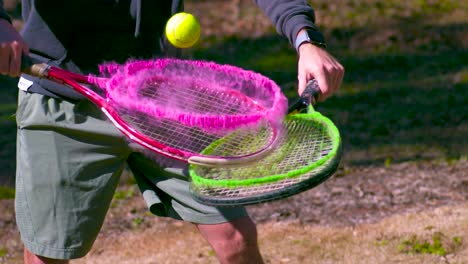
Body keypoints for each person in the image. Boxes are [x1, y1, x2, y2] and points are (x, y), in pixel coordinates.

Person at [0, 0, 344, 263]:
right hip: (63, 100)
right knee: (48, 254)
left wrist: (306, 39)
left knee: (235, 239)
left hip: (161, 97)